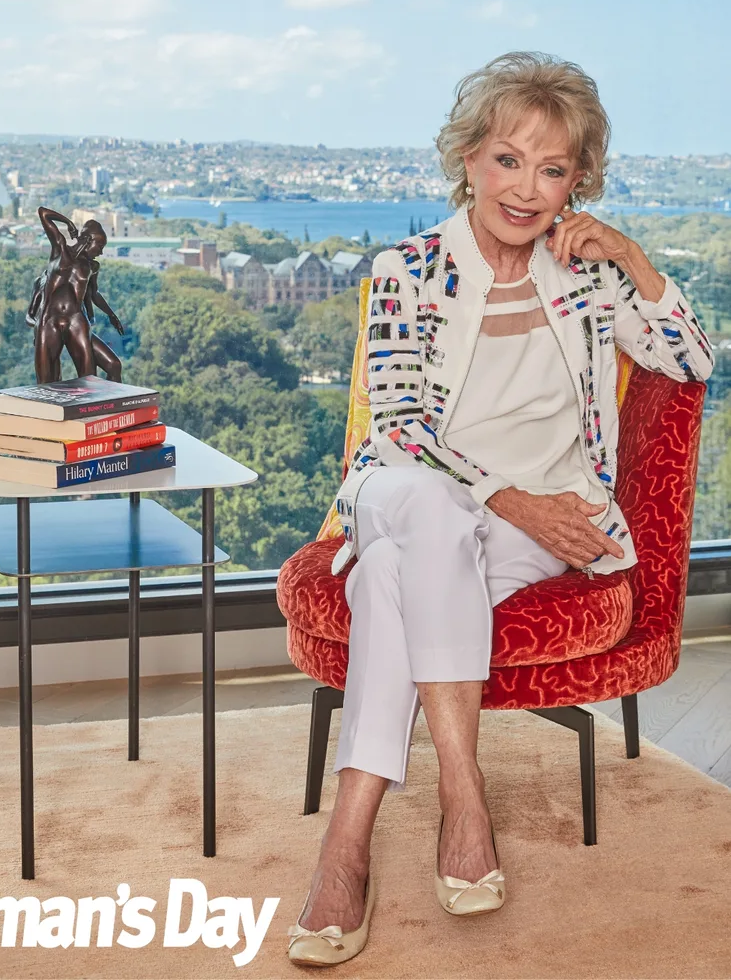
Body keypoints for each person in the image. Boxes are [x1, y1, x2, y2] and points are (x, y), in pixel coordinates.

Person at [287, 51, 714, 968]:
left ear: (578, 180)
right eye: (507, 160)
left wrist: (633, 259)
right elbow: (398, 425)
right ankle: (464, 793)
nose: (526, 189)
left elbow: (691, 361)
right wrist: (507, 500)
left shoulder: (590, 276)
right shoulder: (408, 268)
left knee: (398, 573)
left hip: (535, 525)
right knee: (423, 521)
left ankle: (345, 841)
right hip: (413, 488)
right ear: (469, 159)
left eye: (552, 168)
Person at [27, 208, 124, 383]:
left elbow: (94, 294)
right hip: (49, 320)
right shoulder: (60, 250)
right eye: (100, 246)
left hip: (76, 320)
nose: (100, 252)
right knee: (45, 382)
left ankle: (105, 408)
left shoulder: (92, 267)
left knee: (88, 379)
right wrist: (68, 223)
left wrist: (111, 314)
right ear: (88, 240)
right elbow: (43, 213)